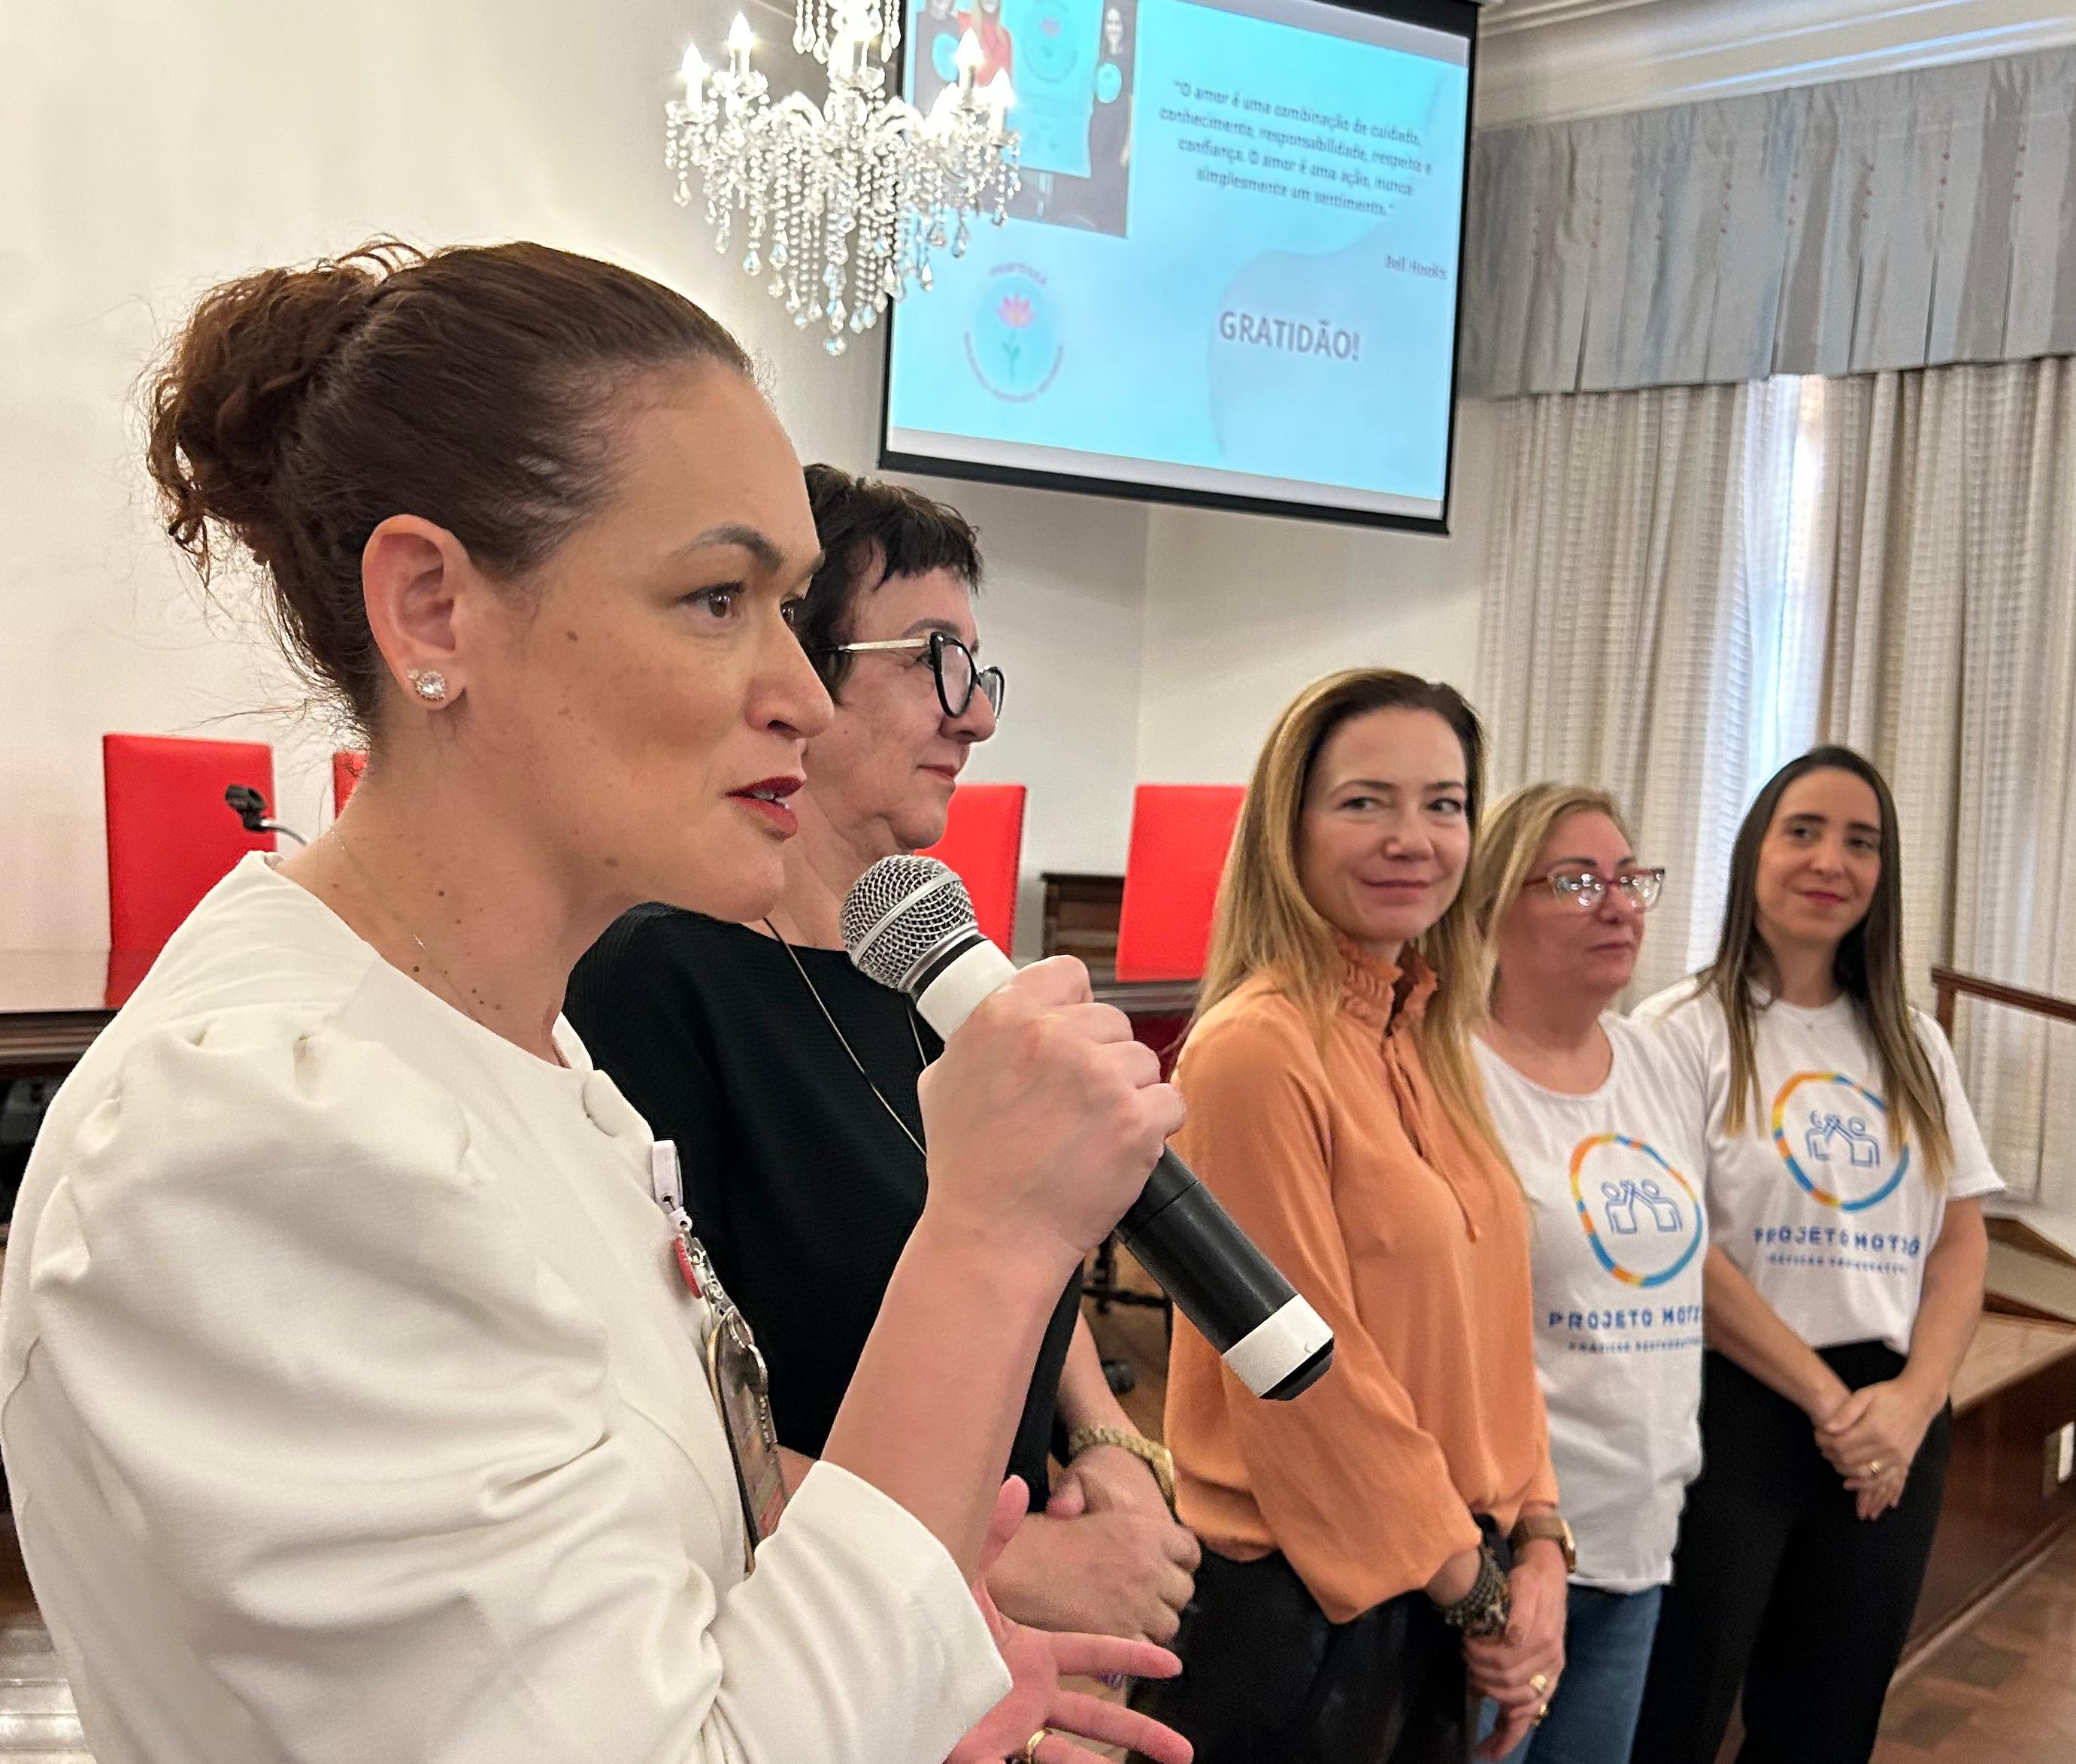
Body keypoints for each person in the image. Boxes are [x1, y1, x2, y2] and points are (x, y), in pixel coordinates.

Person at [0, 238, 1192, 1764]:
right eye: (716, 598)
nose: (802, 695)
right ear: (433, 609)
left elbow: (658, 1619)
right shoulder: (259, 1135)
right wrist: (990, 1241)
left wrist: (905, 1685)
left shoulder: (535, 1051)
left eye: (791, 609)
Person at [566, 465, 1200, 1648]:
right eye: (934, 661)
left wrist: (1107, 1434)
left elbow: (1030, 1232)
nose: (979, 717)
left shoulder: (933, 955)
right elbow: (671, 1423)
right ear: (794, 670)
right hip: (829, 1641)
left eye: (980, 670)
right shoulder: (657, 979)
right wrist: (1013, 1570)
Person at [1131, 669, 1568, 1764]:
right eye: (1366, 801)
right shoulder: (1255, 1050)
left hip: (1440, 1576)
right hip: (1298, 1620)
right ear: (1291, 827)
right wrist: (1482, 1595)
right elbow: (1307, 1379)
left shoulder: (1427, 1035)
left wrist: (1539, 1534)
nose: (1412, 838)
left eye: (1443, 803)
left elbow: (1495, 1334)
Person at [1626, 747, 2002, 1764]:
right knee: (1676, 1711)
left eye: (1861, 841)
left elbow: (1960, 1241)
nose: (1831, 860)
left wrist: (1914, 1401)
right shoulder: (1677, 1031)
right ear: (1754, 850)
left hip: (1893, 1418)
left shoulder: (1915, 1043)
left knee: (1827, 1724)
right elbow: (1676, 1244)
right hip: (1731, 1405)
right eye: (1803, 831)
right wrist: (1833, 1406)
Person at [1458, 785, 1708, 1764]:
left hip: (1638, 1529)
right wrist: (1520, 1540)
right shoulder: (1453, 1072)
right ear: (1494, 906)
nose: (1618, 905)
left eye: (1630, 879)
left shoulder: (1657, 1061)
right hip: (1504, 1548)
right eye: (1575, 881)